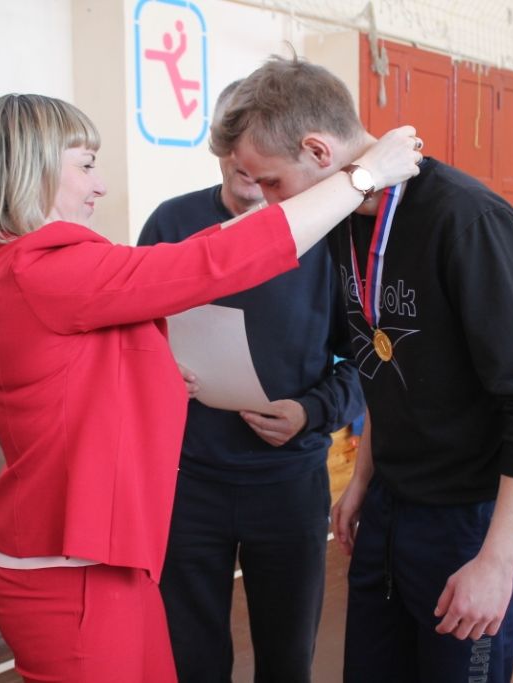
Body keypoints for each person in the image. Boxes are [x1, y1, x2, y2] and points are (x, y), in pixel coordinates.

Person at [0, 93, 422, 682]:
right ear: (35, 166)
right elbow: (207, 262)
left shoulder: (38, 268)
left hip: (107, 559)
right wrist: (363, 176)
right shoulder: (45, 269)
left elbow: (178, 274)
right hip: (71, 571)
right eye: (87, 164)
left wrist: (145, 373)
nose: (100, 185)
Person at [212, 58, 513, 683]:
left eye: (270, 182)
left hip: (469, 519)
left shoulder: (467, 220)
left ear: (318, 151)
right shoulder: (341, 225)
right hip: (388, 505)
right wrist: (364, 478)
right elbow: (383, 359)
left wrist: (498, 562)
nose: (267, 200)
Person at [137, 82, 363, 683]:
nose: (248, 178)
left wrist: (311, 412)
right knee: (191, 658)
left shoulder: (327, 233)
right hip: (188, 482)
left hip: (288, 481)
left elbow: (364, 363)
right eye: (235, 158)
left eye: (262, 169)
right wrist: (155, 367)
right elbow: (131, 337)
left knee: (287, 658)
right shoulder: (171, 222)